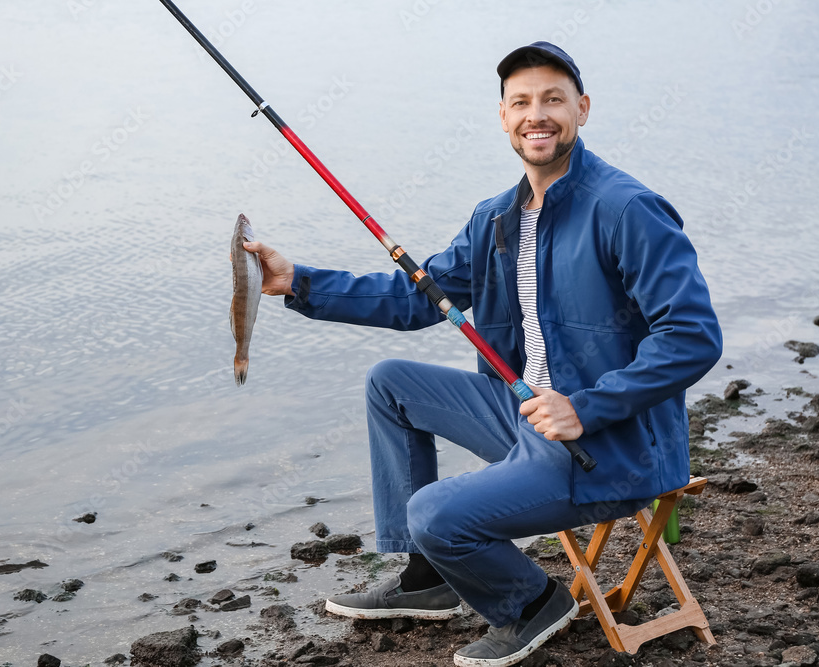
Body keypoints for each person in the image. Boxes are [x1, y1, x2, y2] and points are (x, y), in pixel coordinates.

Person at [242, 41, 722, 667]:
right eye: (520, 102)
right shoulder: (495, 217)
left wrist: (587, 407)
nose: (536, 115)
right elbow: (417, 300)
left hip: (607, 448)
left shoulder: (627, 210)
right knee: (390, 384)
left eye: (553, 99)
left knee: (434, 511)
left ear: (582, 108)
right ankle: (428, 576)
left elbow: (692, 335)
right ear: (502, 116)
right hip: (523, 413)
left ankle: (530, 602)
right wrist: (298, 282)